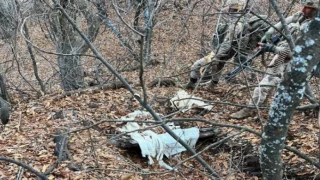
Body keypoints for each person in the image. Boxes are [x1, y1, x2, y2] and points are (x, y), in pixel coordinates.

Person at [230, 0, 318, 119]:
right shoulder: (300, 16)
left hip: (295, 65)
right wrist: (266, 36)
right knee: (269, 85)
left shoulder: (315, 30)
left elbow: (301, 55)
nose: (305, 10)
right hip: (282, 57)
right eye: (305, 7)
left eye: (309, 9)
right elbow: (281, 24)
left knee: (266, 86)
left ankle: (250, 110)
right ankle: (260, 109)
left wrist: (273, 48)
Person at [184, 0, 268, 90]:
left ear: (233, 9)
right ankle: (211, 86)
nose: (228, 10)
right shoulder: (241, 22)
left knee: (196, 65)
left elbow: (227, 43)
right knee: (217, 69)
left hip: (223, 52)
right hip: (227, 53)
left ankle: (191, 85)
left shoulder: (236, 25)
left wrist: (217, 56)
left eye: (230, 8)